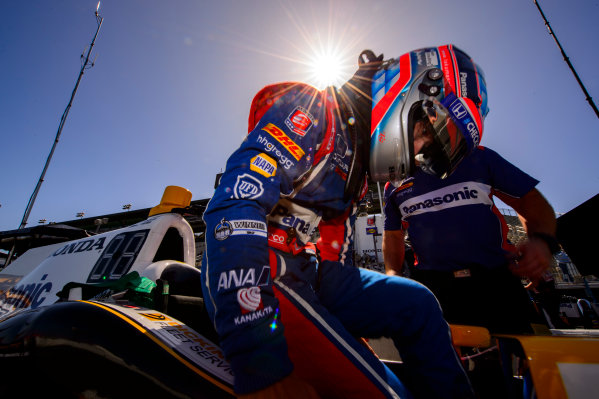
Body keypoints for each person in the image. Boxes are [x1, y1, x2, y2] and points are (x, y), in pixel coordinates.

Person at [201, 48, 475, 398]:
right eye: (425, 134)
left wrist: (345, 327)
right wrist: (258, 364)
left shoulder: (356, 163)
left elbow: (337, 252)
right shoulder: (311, 111)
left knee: (418, 303)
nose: (419, 154)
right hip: (262, 269)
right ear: (412, 92)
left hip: (306, 267)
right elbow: (236, 205)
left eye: (429, 152)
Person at [379, 45, 559, 335]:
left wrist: (541, 244)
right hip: (434, 289)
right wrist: (392, 275)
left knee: (526, 369)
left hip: (495, 282)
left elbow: (533, 204)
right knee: (447, 373)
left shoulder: (481, 158)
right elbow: (393, 235)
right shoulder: (394, 184)